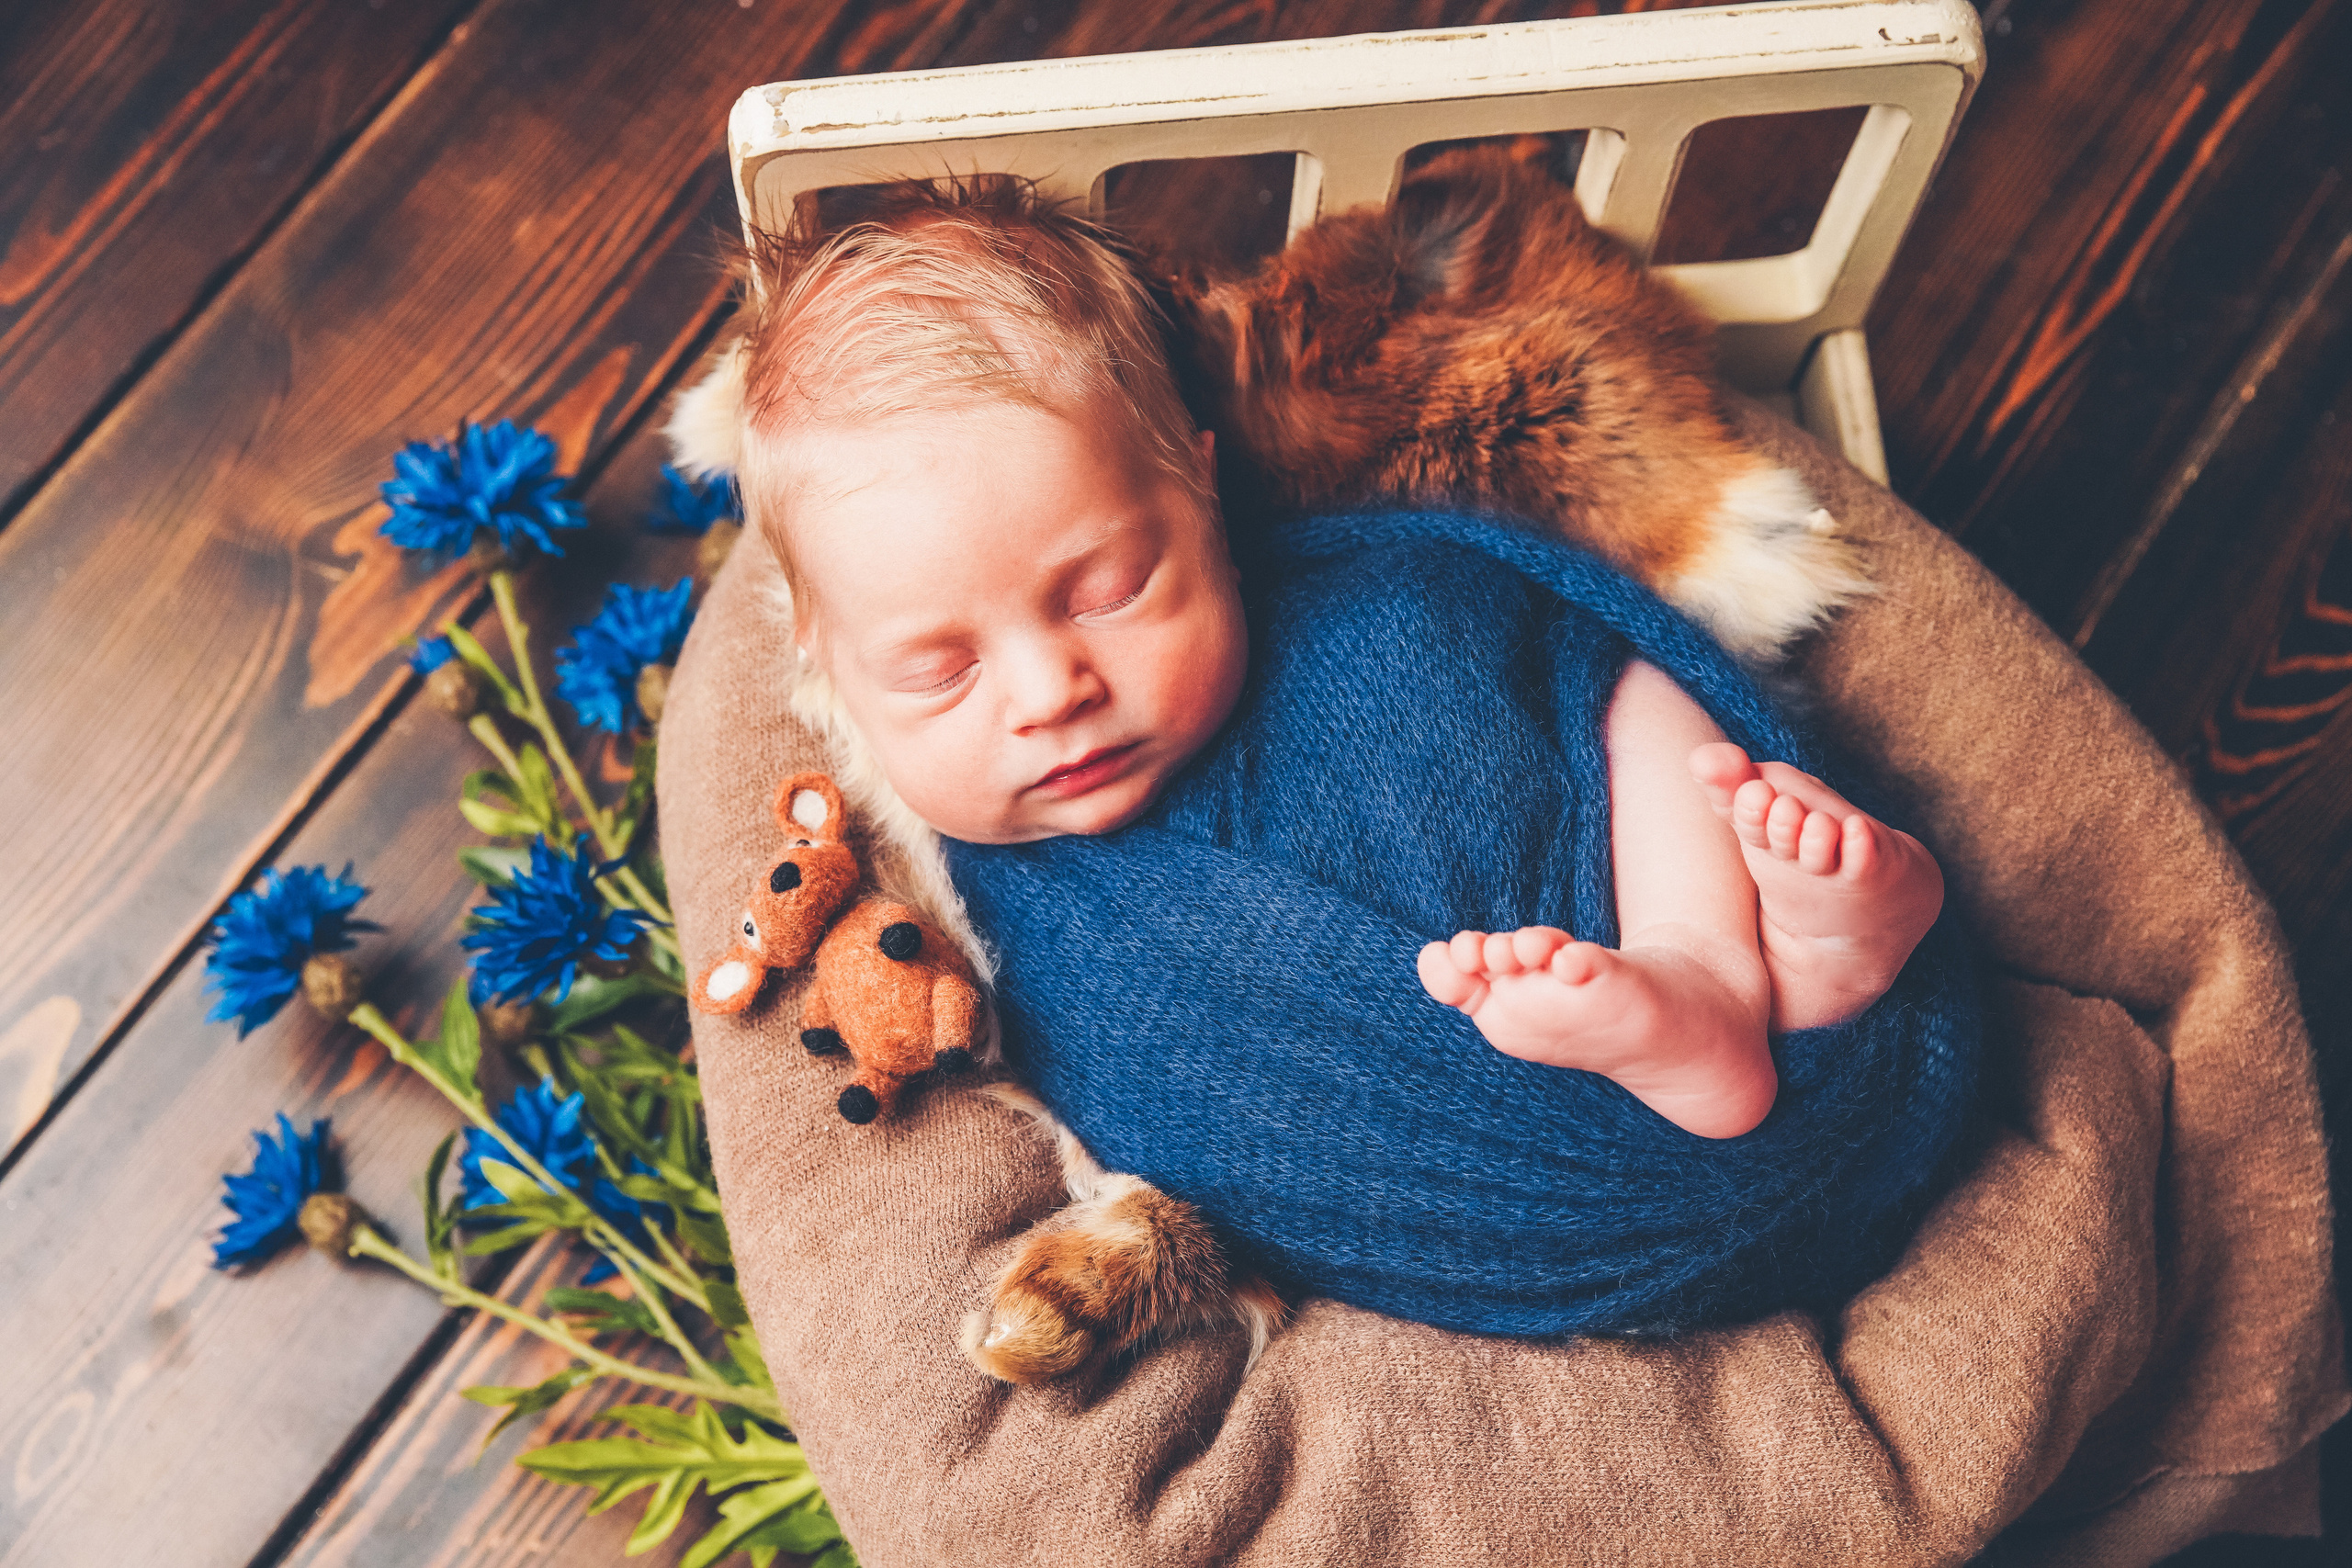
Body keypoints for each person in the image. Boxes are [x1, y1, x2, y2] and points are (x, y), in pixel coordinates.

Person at [722, 176, 1944, 1144]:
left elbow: (1567, 644)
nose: (1053, 696)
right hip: (1507, 1148)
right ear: (823, 658)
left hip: (1663, 946)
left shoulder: (1361, 596)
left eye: (1109, 591)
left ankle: (1761, 963)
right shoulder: (982, 921)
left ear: (1201, 487)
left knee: (1612, 690)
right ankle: (1756, 1007)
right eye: (939, 674)